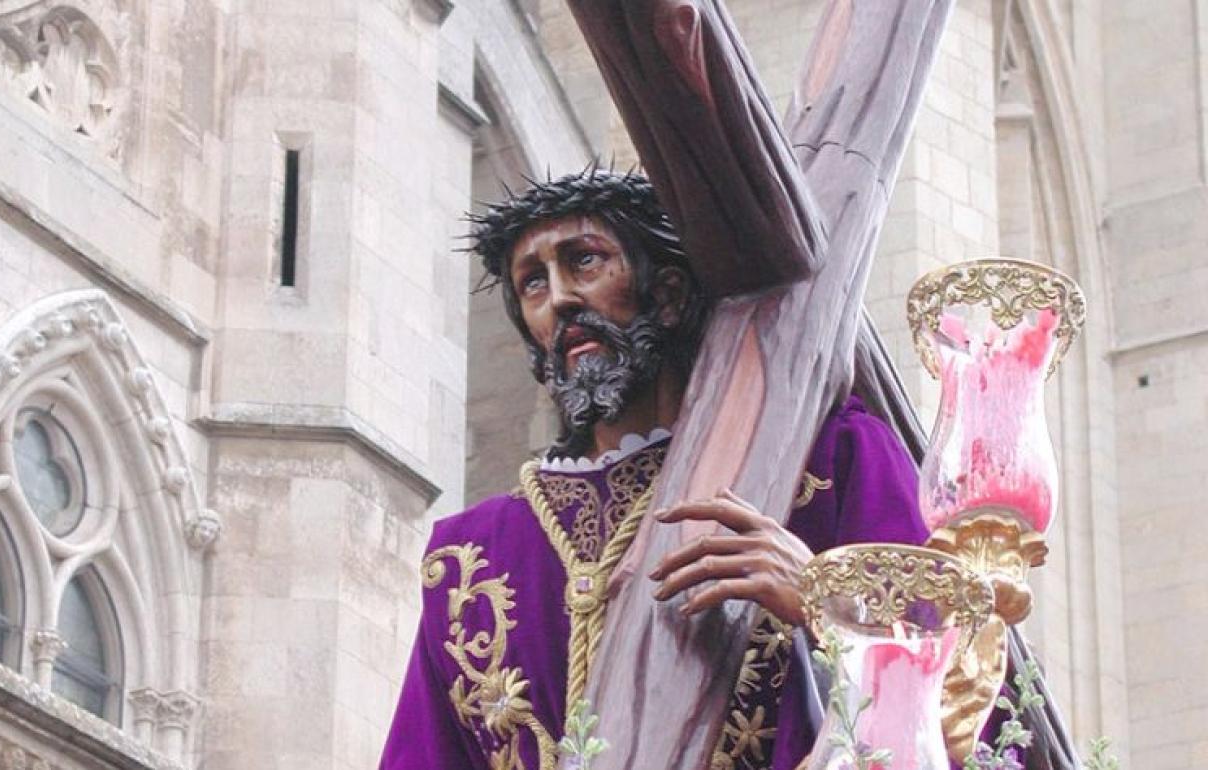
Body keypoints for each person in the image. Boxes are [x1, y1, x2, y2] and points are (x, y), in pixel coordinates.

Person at [378, 169, 930, 770]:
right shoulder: (469, 556)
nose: (560, 297)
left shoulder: (825, 462)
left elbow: (967, 682)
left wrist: (828, 603)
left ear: (666, 294)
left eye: (584, 261)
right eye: (533, 283)